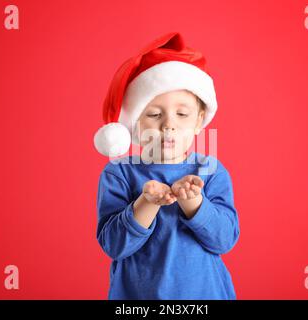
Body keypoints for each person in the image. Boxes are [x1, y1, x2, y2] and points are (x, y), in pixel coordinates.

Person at [94, 32, 240, 299]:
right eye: (154, 114)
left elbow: (224, 240)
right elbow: (114, 245)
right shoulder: (119, 173)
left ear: (198, 121)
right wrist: (147, 202)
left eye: (182, 114)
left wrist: (194, 202)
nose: (169, 124)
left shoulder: (211, 171)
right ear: (135, 123)